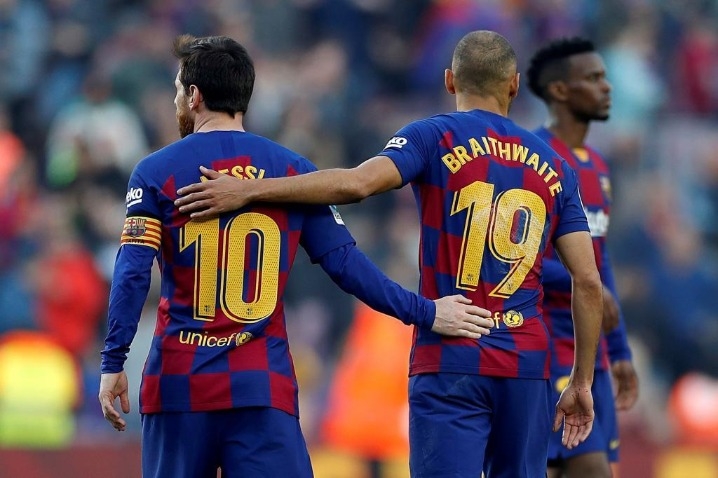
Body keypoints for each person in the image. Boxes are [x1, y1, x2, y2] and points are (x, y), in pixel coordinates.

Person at [174, 30, 604, 478]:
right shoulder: (557, 166)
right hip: (525, 361)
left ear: (450, 81)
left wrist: (251, 190)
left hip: (450, 357)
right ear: (514, 84)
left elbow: (357, 184)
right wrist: (582, 380)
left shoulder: (433, 136)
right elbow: (589, 281)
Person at [97, 34, 496, 478]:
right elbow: (347, 266)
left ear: (194, 96)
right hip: (261, 387)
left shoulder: (154, 172)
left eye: (177, 90)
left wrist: (114, 361)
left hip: (180, 384)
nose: (176, 101)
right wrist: (425, 311)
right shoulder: (293, 172)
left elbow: (132, 274)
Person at [525, 37, 640, 478]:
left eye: (604, 77)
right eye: (593, 78)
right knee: (591, 470)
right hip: (548, 344)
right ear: (560, 90)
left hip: (593, 354)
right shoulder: (533, 158)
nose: (606, 87)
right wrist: (580, 281)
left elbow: (600, 261)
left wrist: (620, 349)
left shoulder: (599, 166)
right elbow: (522, 257)